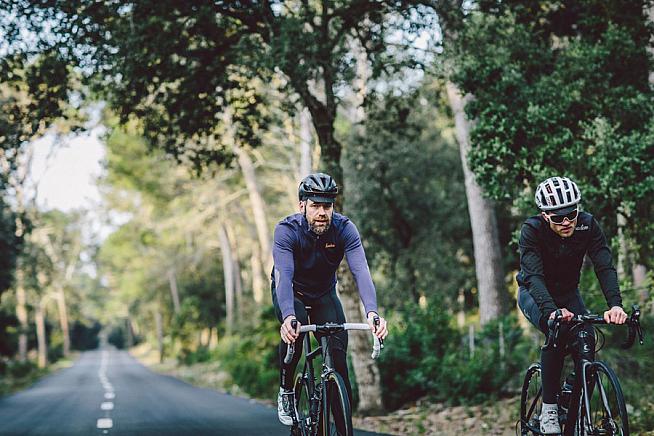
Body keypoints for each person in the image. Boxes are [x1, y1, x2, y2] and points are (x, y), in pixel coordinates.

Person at [271, 172, 388, 426]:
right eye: (315, 206)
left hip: (324, 293)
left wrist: (372, 313)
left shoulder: (344, 229)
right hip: (292, 292)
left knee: (338, 363)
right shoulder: (286, 231)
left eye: (327, 206)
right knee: (295, 329)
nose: (322, 212)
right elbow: (284, 276)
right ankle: (286, 390)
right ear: (302, 205)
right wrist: (288, 316)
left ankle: (343, 426)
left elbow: (361, 271)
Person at [517, 176, 627, 434]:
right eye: (558, 218)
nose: (566, 222)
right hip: (534, 293)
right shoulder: (532, 230)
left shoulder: (587, 225)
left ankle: (571, 396)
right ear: (545, 216)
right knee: (557, 328)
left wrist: (615, 305)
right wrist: (552, 311)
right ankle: (549, 408)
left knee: (586, 338)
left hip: (568, 294)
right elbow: (534, 277)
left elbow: (604, 265)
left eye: (571, 214)